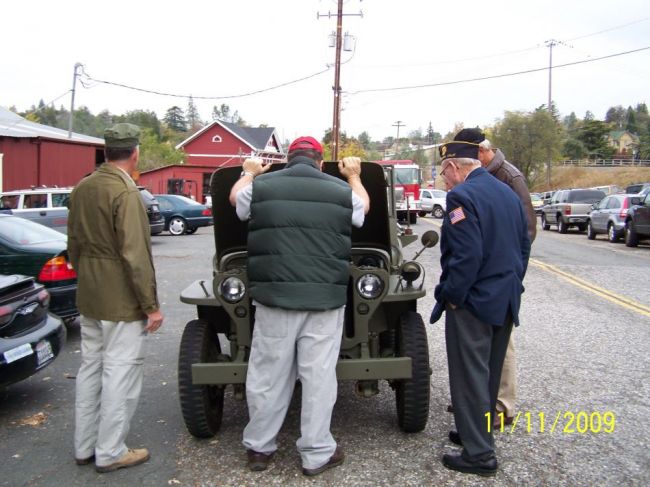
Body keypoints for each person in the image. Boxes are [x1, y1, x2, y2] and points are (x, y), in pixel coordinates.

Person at [228, 136, 370, 476]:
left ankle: (260, 449)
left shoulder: (263, 187)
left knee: (268, 375)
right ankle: (316, 453)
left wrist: (249, 172)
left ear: (287, 160)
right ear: (320, 163)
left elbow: (235, 198)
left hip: (275, 300)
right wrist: (353, 176)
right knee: (319, 378)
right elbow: (363, 210)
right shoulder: (338, 190)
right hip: (324, 302)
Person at [430, 140, 530, 476]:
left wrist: (454, 294)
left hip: (472, 302)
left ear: (454, 167)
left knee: (470, 376)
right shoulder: (507, 194)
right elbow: (524, 247)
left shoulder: (461, 198)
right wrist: (511, 284)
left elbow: (466, 256)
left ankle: (479, 455)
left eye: (443, 172)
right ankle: (476, 431)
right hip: (504, 299)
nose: (443, 180)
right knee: (487, 376)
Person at [68, 123, 164, 473]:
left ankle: (84, 446)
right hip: (120, 300)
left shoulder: (83, 187)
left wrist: (88, 275)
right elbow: (135, 255)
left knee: (91, 368)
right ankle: (110, 451)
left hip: (90, 294)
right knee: (121, 373)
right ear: (135, 153)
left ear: (106, 152)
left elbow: (73, 246)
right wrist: (150, 306)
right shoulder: (125, 192)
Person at [455, 128, 537, 429]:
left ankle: (501, 406)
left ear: (481, 153)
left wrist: (511, 279)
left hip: (495, 282)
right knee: (481, 352)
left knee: (500, 350)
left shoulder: (509, 178)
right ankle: (477, 404)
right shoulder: (484, 179)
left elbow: (526, 232)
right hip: (493, 281)